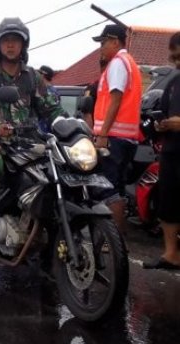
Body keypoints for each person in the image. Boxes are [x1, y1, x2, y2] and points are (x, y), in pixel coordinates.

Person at [0, 18, 63, 257]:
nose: (11, 45)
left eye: (16, 41)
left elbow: (50, 108)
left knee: (57, 170)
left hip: (27, 141)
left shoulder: (32, 77)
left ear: (24, 45)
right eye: (6, 41)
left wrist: (69, 124)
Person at [92, 24, 143, 235]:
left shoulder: (118, 64)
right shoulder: (129, 63)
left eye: (103, 43)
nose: (101, 48)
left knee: (108, 187)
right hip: (126, 136)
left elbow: (115, 99)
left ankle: (112, 239)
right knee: (117, 188)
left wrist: (103, 134)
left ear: (115, 41)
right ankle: (116, 240)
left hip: (114, 137)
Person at [144, 32, 180, 270]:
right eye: (173, 57)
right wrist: (160, 124)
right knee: (168, 204)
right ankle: (171, 254)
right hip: (171, 150)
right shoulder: (173, 82)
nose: (176, 61)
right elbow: (165, 113)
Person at [82, 58, 109, 127]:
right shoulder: (93, 87)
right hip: (97, 129)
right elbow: (87, 112)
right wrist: (90, 133)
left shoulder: (113, 87)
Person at [37, 65, 60, 133]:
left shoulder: (47, 92)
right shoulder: (54, 90)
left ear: (43, 75)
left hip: (45, 129)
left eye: (39, 74)